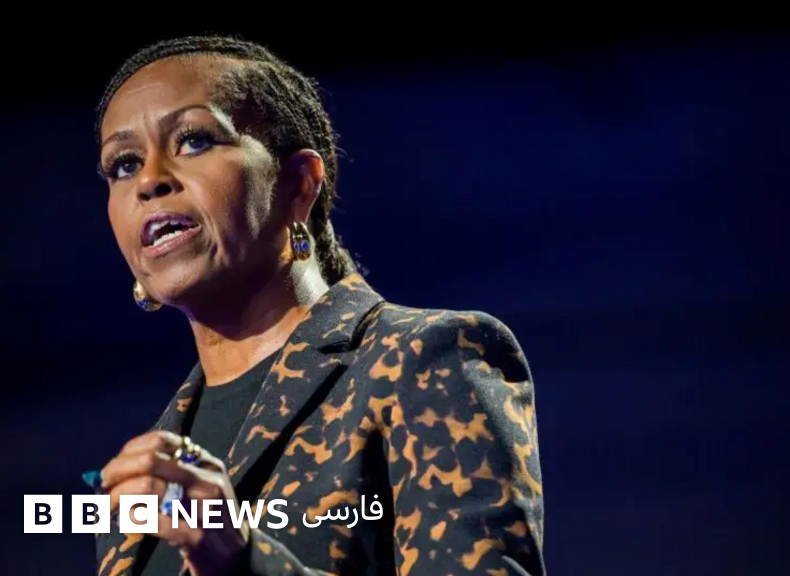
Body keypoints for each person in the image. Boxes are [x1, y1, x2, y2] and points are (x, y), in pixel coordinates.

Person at [90, 35, 544, 576]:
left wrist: (241, 560)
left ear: (299, 185)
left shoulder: (422, 361)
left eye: (193, 140)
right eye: (123, 165)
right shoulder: (140, 475)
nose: (149, 181)